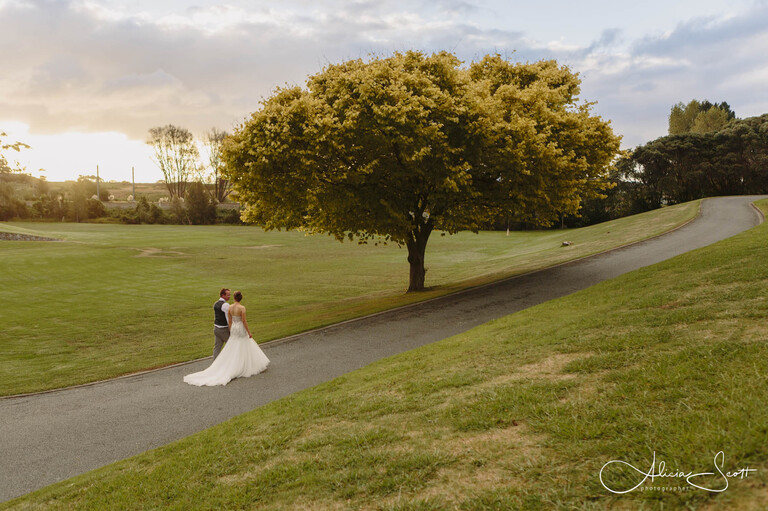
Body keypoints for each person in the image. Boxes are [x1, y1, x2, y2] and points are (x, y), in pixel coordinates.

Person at [184, 290, 270, 386]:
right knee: (238, 346)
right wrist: (249, 332)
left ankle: (217, 365)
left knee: (224, 346)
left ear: (234, 298)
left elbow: (229, 320)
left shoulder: (221, 305)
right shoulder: (240, 307)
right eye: (227, 294)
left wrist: (231, 329)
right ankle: (237, 365)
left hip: (225, 328)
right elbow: (244, 321)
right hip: (238, 328)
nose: (229, 296)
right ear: (241, 298)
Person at [213, 288, 231, 359]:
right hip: (223, 330)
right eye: (228, 295)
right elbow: (228, 318)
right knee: (232, 345)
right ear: (223, 295)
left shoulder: (215, 304)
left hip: (216, 329)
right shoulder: (226, 305)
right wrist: (231, 329)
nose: (229, 296)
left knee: (217, 347)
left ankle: (215, 364)